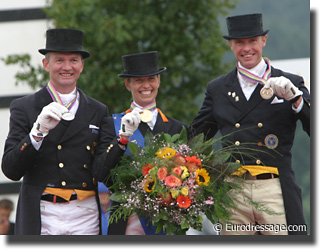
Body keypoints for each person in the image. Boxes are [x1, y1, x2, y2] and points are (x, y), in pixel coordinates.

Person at [190, 13, 310, 235]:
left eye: (252, 41)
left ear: (263, 41)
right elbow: (197, 136)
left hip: (274, 187)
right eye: (239, 43)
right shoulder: (217, 88)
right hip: (234, 190)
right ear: (230, 45)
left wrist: (298, 99)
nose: (246, 49)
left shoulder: (290, 81)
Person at [1, 28, 109, 235]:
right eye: (59, 60)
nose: (67, 67)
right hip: (42, 211)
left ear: (82, 65)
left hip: (84, 212)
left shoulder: (98, 110)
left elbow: (103, 169)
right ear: (46, 64)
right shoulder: (24, 107)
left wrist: (122, 141)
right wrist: (37, 133)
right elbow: (11, 170)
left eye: (74, 60)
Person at [93, 51, 188, 235]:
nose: (146, 85)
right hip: (126, 221)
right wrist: (121, 140)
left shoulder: (178, 128)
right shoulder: (112, 124)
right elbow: (100, 172)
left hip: (166, 224)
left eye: (151, 79)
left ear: (159, 81)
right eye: (138, 80)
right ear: (128, 84)